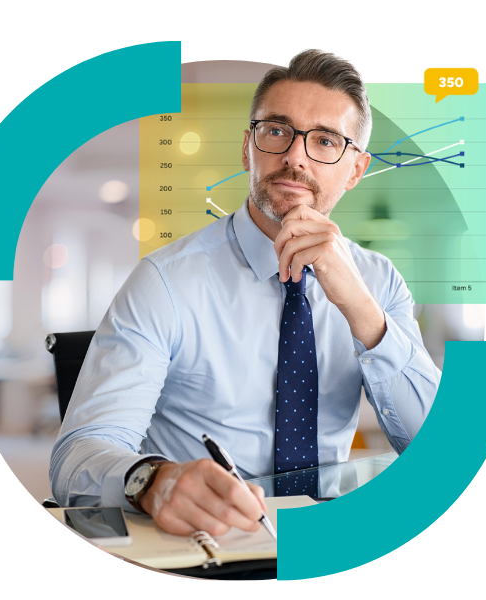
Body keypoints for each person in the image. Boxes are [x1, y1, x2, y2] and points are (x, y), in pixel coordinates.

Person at [50, 49, 441, 539]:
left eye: (324, 141)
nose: (295, 156)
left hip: (329, 536)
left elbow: (442, 451)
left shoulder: (380, 282)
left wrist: (362, 311)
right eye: (276, 131)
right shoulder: (164, 281)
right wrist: (154, 481)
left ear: (356, 171)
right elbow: (78, 453)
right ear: (248, 148)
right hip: (203, 547)